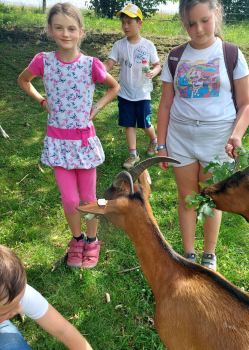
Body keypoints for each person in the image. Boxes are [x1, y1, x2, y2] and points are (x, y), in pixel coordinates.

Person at [17, 3, 120, 269]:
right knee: (70, 200)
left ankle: (93, 241)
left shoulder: (91, 64)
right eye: (59, 27)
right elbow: (23, 80)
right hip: (57, 143)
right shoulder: (43, 61)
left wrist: (96, 108)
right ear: (50, 30)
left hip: (84, 143)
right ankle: (77, 239)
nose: (65, 33)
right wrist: (42, 101)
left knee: (88, 198)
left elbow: (114, 87)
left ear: (81, 32)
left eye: (71, 28)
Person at [157, 0, 249, 271]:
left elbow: (246, 104)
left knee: (212, 196)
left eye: (204, 20)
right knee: (187, 196)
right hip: (180, 139)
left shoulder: (231, 54)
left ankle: (209, 255)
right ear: (183, 23)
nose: (198, 29)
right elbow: (165, 104)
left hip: (218, 140)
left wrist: (236, 135)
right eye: (190, 23)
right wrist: (161, 144)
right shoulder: (175, 57)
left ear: (216, 14)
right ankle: (188, 256)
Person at [0, 244, 93, 349]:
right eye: (7, 310)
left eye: (20, 300)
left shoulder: (12, 291)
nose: (20, 308)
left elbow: (64, 331)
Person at [105, 4, 161, 169]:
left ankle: (154, 141)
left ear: (140, 23)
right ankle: (133, 154)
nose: (125, 26)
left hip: (143, 94)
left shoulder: (148, 45)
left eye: (129, 22)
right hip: (125, 93)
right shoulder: (119, 45)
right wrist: (94, 70)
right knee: (129, 124)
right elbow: (108, 64)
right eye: (123, 22)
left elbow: (157, 65)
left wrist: (154, 72)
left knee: (145, 124)